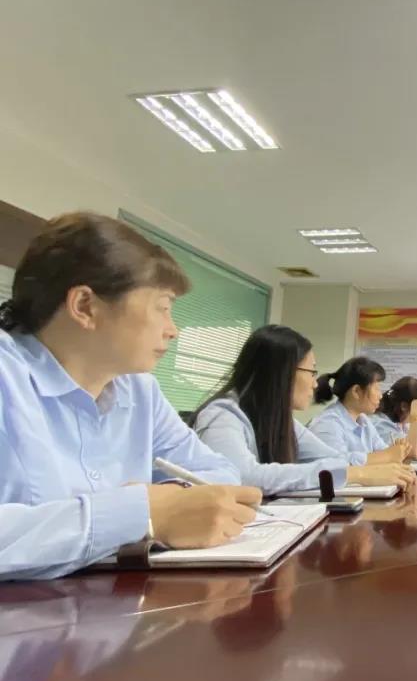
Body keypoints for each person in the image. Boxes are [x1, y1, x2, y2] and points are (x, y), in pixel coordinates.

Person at [0, 212, 263, 581]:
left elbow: (219, 473)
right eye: (163, 308)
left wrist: (174, 502)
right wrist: (141, 514)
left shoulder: (139, 389)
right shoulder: (7, 377)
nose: (173, 330)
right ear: (85, 306)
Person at [193, 326, 414, 493]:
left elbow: (332, 458)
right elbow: (242, 476)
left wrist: (363, 470)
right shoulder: (222, 415)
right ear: (282, 373)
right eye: (311, 372)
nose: (315, 384)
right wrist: (358, 474)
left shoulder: (281, 419)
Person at [307, 356, 409, 466]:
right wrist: (389, 455)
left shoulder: (363, 420)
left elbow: (383, 453)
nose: (380, 396)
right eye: (376, 388)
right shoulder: (328, 423)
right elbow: (336, 466)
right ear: (356, 391)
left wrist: (396, 452)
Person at [369, 376, 417, 458]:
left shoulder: (404, 423)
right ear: (404, 406)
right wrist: (416, 416)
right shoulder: (380, 424)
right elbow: (415, 453)